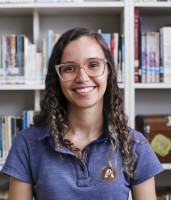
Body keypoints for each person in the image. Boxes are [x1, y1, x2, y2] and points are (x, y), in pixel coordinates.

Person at [1, 28, 163, 200]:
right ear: (57, 77)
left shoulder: (135, 145)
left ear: (108, 71)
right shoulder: (27, 144)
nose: (82, 77)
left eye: (93, 65)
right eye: (69, 68)